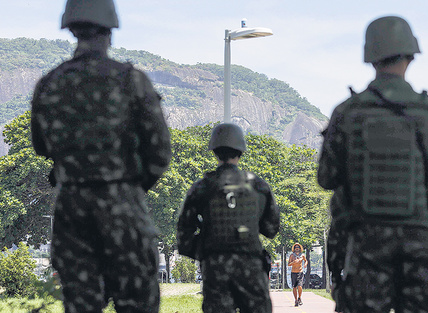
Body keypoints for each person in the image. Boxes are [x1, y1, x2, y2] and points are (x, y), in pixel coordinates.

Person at [30, 0, 172, 312]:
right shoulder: (131, 80)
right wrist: (131, 186)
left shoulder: (49, 84)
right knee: (137, 303)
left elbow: (41, 146)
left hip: (71, 207)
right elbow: (160, 151)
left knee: (80, 305)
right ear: (110, 30)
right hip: (123, 203)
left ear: (71, 29)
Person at [317, 15, 428, 313]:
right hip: (420, 241)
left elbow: (327, 178)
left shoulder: (347, 112)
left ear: (370, 56)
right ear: (410, 55)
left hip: (366, 244)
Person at [177, 123, 280, 313]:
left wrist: (205, 251)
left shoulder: (201, 187)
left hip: (215, 267)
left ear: (214, 151)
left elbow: (184, 236)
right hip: (251, 265)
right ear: (241, 150)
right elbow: (271, 229)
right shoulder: (258, 186)